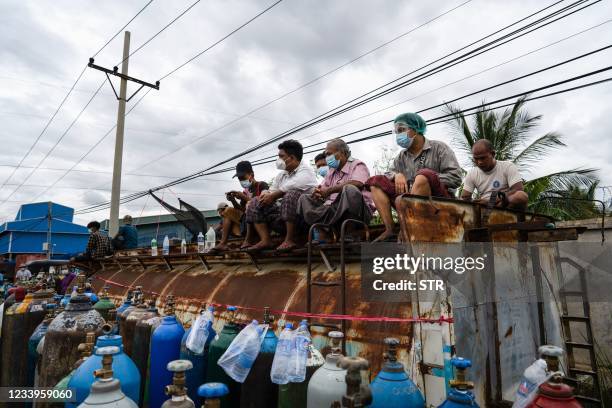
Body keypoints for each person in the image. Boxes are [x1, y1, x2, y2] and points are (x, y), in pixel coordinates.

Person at [366, 112, 462, 241]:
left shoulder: (439, 148)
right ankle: (390, 229)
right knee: (376, 182)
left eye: (401, 130)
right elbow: (389, 173)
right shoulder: (402, 156)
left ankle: (409, 228)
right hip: (407, 203)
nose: (398, 135)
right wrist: (397, 175)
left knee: (423, 176)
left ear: (415, 129)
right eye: (396, 132)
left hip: (439, 203)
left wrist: (426, 179)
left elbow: (455, 177)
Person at [246, 139, 317, 251]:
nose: (278, 159)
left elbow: (293, 185)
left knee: (291, 194)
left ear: (292, 158)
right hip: (284, 217)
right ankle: (265, 240)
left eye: (281, 156)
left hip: (303, 219)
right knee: (256, 201)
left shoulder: (306, 171)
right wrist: (265, 193)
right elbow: (272, 189)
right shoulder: (282, 175)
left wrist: (273, 195)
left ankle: (290, 240)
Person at [298, 139, 375, 234]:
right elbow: (322, 188)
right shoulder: (331, 171)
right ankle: (324, 232)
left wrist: (329, 190)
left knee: (350, 189)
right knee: (304, 198)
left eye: (329, 154)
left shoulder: (357, 165)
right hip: (334, 209)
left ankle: (349, 232)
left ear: (342, 153)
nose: (327, 158)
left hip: (359, 212)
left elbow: (357, 183)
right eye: (326, 155)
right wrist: (318, 192)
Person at [216, 161, 270, 250]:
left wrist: (244, 197)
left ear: (251, 175)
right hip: (246, 221)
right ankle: (223, 243)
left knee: (249, 204)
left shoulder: (261, 185)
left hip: (260, 220)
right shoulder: (246, 191)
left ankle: (249, 239)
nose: (241, 181)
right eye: (239, 179)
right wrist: (233, 200)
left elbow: (261, 203)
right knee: (227, 211)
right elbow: (241, 210)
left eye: (242, 178)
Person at [461, 139, 528, 209]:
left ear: (493, 154)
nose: (479, 162)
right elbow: (465, 197)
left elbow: (518, 189)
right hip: (483, 208)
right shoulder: (472, 173)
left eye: (483, 158)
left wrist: (490, 202)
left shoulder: (508, 166)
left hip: (504, 204)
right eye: (476, 159)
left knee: (521, 196)